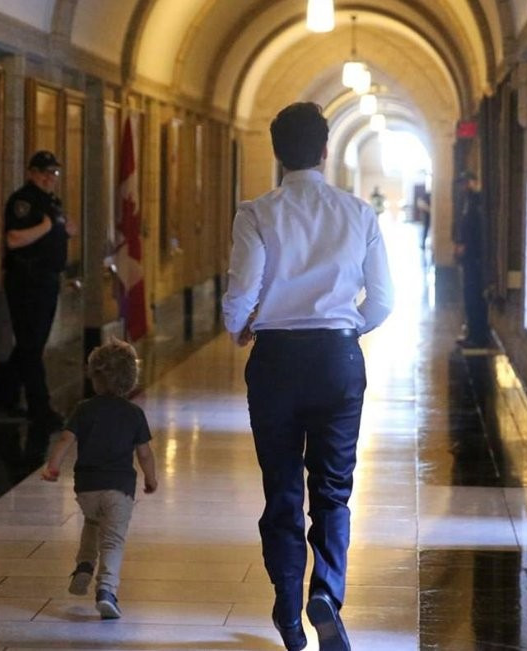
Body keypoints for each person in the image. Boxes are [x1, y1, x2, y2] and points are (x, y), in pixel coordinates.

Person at [222, 102, 394, 651]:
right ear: (325, 150)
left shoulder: (255, 213)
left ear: (276, 154)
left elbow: (241, 292)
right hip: (338, 362)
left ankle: (286, 603)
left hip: (274, 361)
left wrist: (239, 327)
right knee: (333, 488)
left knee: (281, 488)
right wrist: (345, 333)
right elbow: (384, 300)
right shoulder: (358, 212)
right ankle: (326, 592)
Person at [40, 338, 158, 619]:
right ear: (130, 379)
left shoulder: (84, 408)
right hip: (119, 490)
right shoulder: (134, 413)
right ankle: (106, 591)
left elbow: (65, 440)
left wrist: (53, 467)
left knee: (93, 522)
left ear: (95, 377)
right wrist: (151, 479)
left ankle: (83, 564)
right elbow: (145, 454)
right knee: (113, 540)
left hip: (87, 490)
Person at [0, 150, 77, 431]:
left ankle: (5, 393)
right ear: (31, 173)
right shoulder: (24, 201)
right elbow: (14, 239)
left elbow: (61, 229)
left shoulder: (51, 202)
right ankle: (39, 407)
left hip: (46, 280)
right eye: (44, 172)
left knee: (31, 343)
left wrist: (66, 230)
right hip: (26, 281)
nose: (49, 178)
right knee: (31, 345)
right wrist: (47, 227)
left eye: (53, 173)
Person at [454, 170, 491, 347]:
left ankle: (478, 335)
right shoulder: (467, 202)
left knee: (475, 295)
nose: (464, 187)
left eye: (466, 183)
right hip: (468, 257)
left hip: (475, 257)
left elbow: (475, 229)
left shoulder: (477, 201)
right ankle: (472, 333)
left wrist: (466, 245)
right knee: (469, 295)